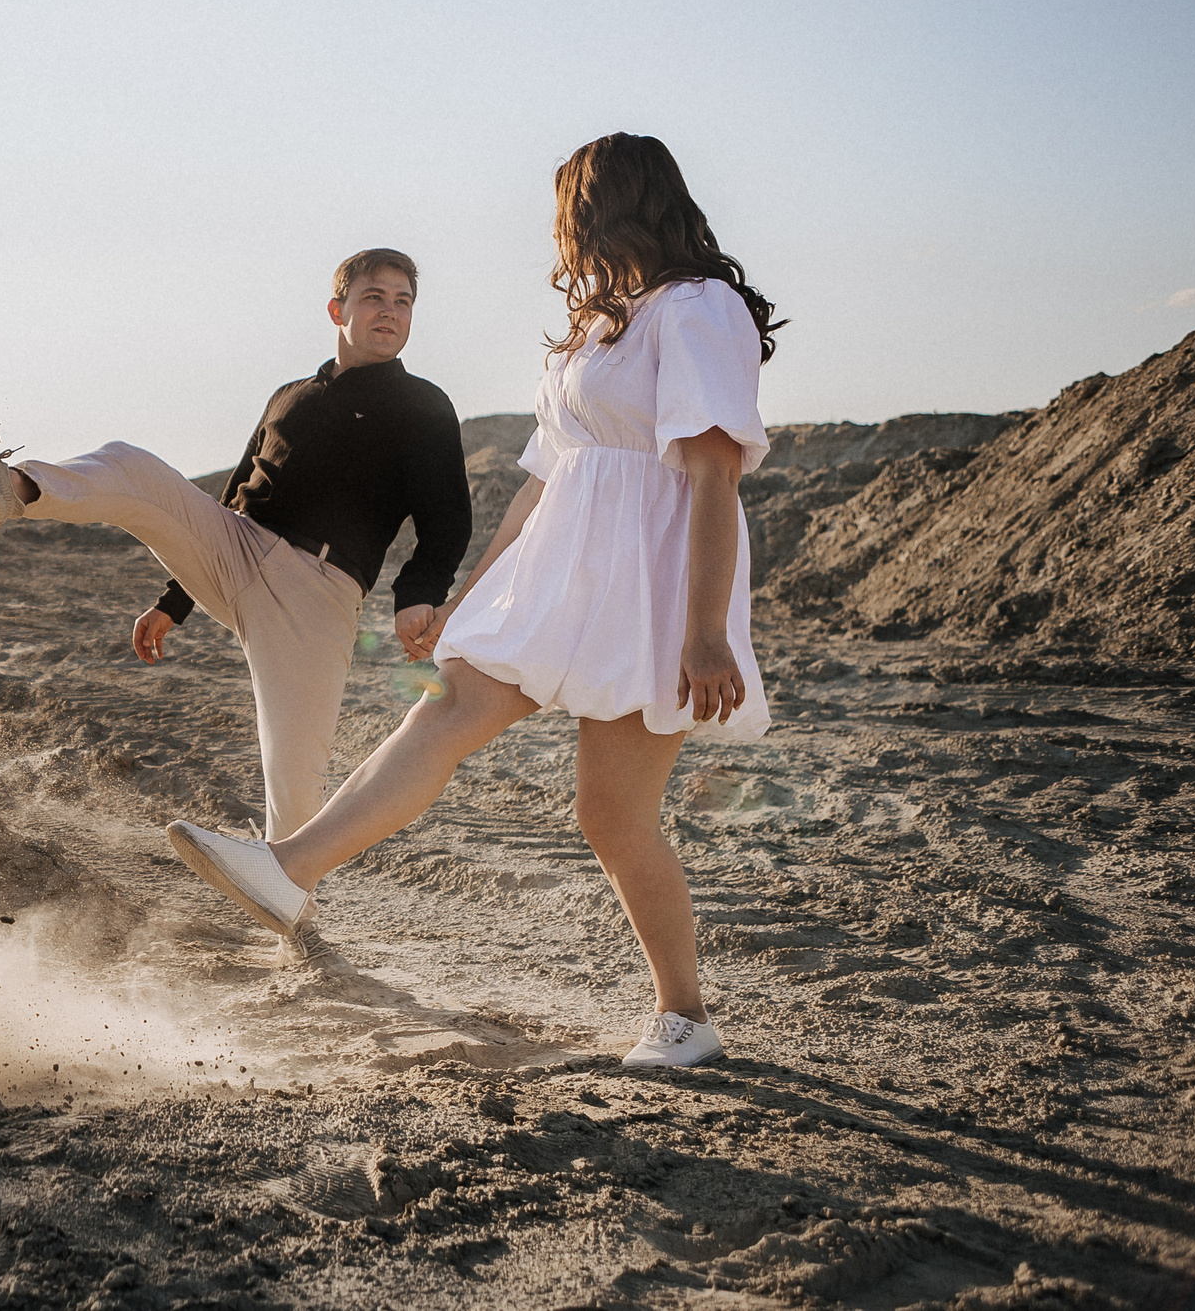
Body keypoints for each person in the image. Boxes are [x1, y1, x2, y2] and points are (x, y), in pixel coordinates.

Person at [164, 134, 782, 1068]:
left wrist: (703, 629)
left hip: (651, 583)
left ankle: (685, 1016)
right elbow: (542, 483)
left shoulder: (699, 310)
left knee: (611, 815)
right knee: (450, 699)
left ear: (605, 208)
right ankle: (288, 871)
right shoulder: (597, 327)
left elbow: (711, 473)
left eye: (566, 211)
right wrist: (472, 597)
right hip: (561, 570)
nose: (558, 235)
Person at [0, 248, 472, 851]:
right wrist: (174, 600)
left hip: (317, 590)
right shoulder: (290, 395)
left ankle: (292, 915)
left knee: (297, 782)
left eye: (403, 301)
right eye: (374, 298)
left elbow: (449, 517)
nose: (390, 311)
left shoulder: (424, 406)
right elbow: (232, 492)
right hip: (233, 546)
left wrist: (419, 596)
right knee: (132, 466)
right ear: (338, 309)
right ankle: (12, 488)